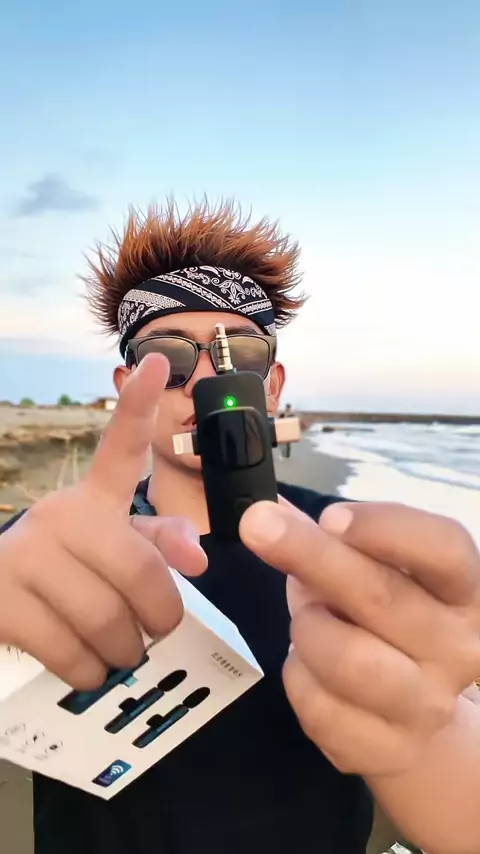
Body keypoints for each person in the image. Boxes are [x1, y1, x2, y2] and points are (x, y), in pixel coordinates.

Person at [1, 200, 480, 854]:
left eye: (238, 354)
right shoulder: (46, 554)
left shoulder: (353, 559)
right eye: (168, 358)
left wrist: (428, 742)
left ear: (272, 385)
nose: (204, 381)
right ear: (127, 384)